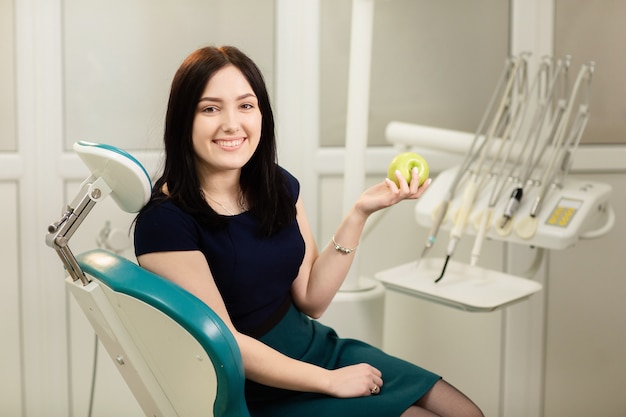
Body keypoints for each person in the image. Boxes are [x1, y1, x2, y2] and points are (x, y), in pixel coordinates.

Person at [134, 45, 484, 417]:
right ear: (182, 119)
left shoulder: (277, 185)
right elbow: (225, 344)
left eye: (246, 105)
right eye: (210, 108)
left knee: (466, 413)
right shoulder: (165, 223)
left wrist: (360, 212)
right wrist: (329, 381)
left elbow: (312, 299)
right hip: (254, 385)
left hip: (315, 347)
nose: (232, 124)